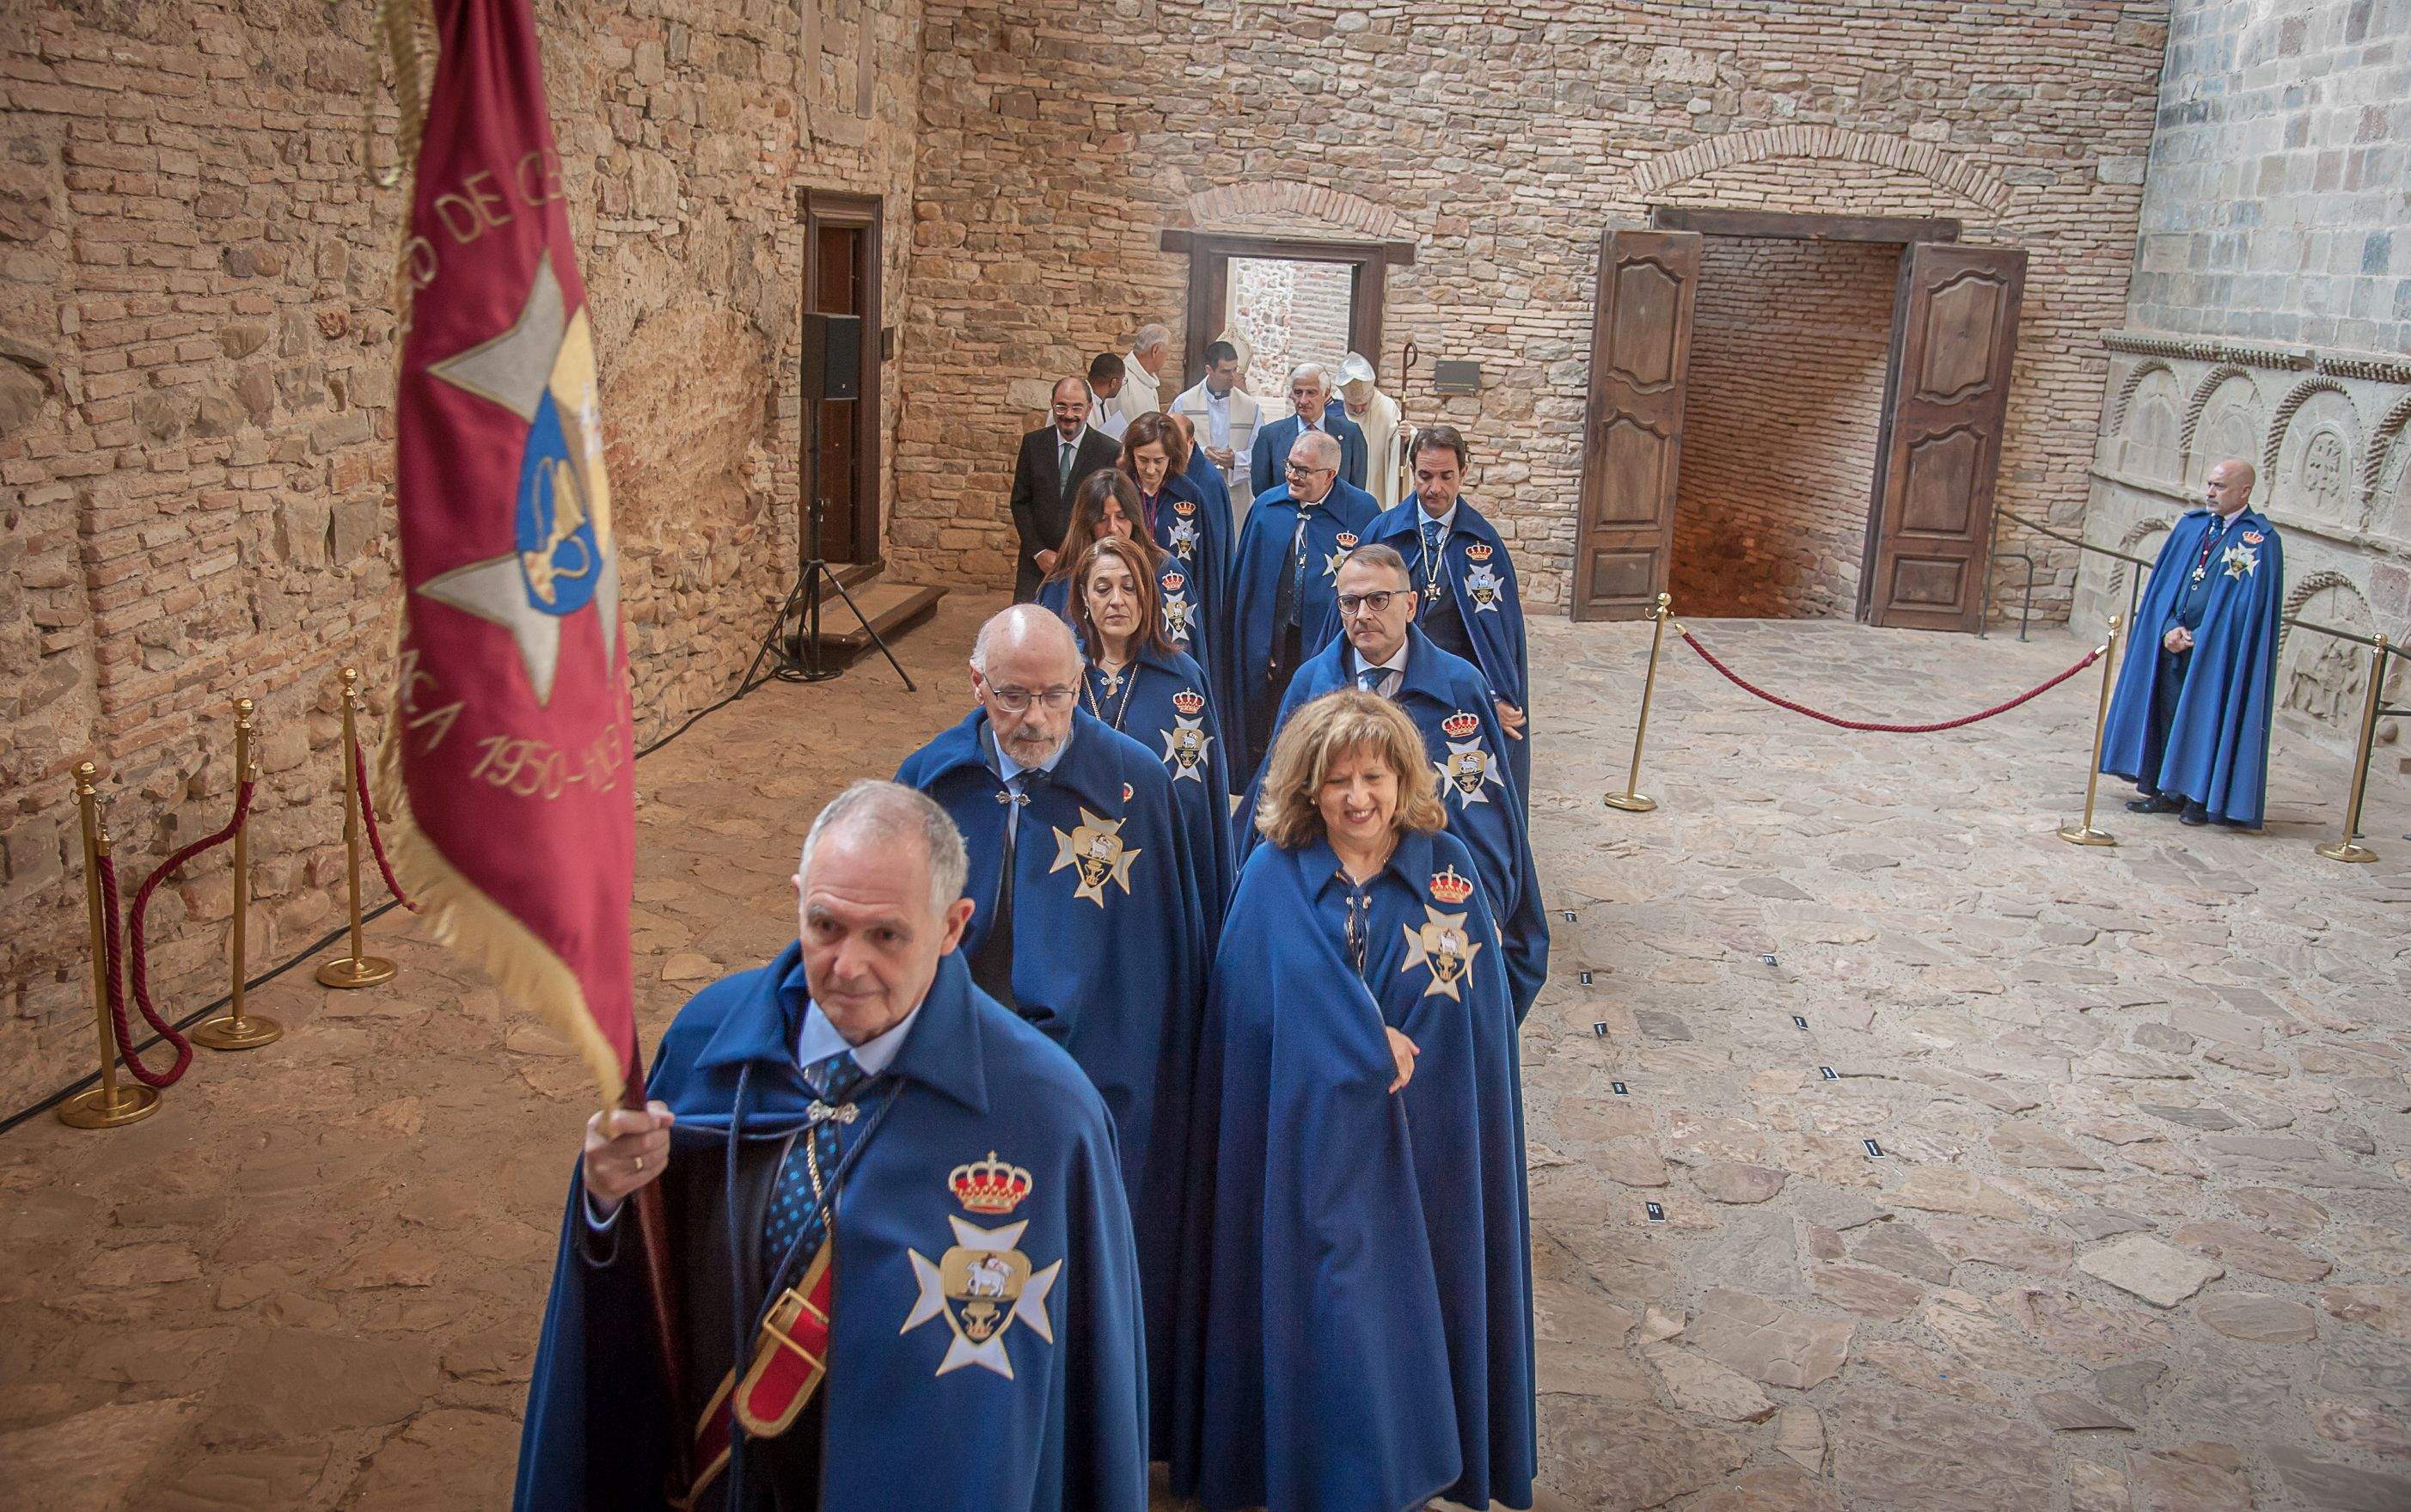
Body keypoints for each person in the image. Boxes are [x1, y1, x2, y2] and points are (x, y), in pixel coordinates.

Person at [515, 780, 1148, 1511]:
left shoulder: (1046, 1114)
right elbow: (640, 1276)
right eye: (825, 926)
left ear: (952, 926)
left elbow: (1089, 1384)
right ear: (797, 900)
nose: (847, 966)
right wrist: (603, 1197)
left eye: (885, 935)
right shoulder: (709, 1040)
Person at [1172, 691, 1534, 1512]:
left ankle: (1404, 1464)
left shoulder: (1447, 871)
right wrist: (1356, 1040)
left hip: (1422, 1140)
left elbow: (1477, 1022)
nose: (1357, 797)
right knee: (1323, 1306)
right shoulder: (1272, 873)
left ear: (1402, 777)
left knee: (1411, 1306)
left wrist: (1416, 1058)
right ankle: (1307, 1466)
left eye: (1373, 775)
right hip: (1303, 1140)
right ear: (1308, 789)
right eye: (1336, 781)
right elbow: (1250, 1008)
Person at [893, 606, 1211, 1457]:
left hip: (1102, 1076)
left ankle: (1092, 1431)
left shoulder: (1136, 785)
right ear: (975, 686)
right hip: (962, 1077)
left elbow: (1173, 945)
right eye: (1013, 697)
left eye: (1056, 696)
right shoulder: (930, 782)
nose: (1035, 719)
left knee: (1093, 1259)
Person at [1240, 544, 1548, 1019]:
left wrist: (1489, 911)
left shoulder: (1459, 687)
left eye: (1378, 600)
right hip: (1331, 917)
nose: (1363, 614)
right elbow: (1276, 802)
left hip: (1429, 918)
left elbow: (1488, 818)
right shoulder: (1310, 686)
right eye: (1350, 602)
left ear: (1411, 604)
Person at [2102, 457, 2285, 828]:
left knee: (2206, 718)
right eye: (2210, 484)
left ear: (2244, 491)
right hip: (2173, 643)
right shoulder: (2192, 528)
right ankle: (2166, 791)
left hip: (2218, 653)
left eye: (2220, 486)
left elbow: (2246, 607)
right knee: (2167, 712)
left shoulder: (2259, 540)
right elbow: (2167, 585)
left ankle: (2198, 797)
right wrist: (2168, 626)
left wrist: (2202, 638)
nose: (2210, 492)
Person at [1067, 533, 1236, 928]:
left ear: (1147, 597)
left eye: (1130, 587)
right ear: (1084, 600)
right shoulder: (1062, 674)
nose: (1117, 600)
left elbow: (1203, 798)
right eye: (1103, 588)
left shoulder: (1182, 678)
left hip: (1157, 870)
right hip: (1077, 862)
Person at [1367, 425, 1532, 808]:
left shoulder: (1483, 544)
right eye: (1425, 476)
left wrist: (1495, 697)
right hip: (1390, 688)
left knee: (1444, 802)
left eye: (1446, 476)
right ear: (1410, 471)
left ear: (1464, 473)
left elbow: (1499, 639)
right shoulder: (1383, 533)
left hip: (1454, 695)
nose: (1435, 489)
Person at [1222, 428, 1379, 780]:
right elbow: (1247, 580)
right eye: (1290, 466)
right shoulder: (1267, 507)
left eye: (1303, 470)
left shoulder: (1360, 510)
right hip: (1274, 637)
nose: (1292, 475)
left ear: (1330, 476)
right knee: (1270, 712)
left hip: (1328, 638)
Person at [1121, 412, 1236, 724]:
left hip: (1174, 614)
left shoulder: (1190, 495)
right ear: (1131, 454)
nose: (1151, 469)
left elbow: (1205, 568)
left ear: (1173, 458)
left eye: (1159, 461)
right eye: (1143, 459)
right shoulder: (1117, 491)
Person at [1007, 376, 1120, 602]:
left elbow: (1108, 511)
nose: (1069, 415)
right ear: (1052, 404)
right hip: (1036, 565)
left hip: (1085, 563)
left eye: (1077, 407)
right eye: (1062, 406)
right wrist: (1038, 551)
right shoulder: (1033, 444)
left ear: (1089, 408)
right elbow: (1020, 502)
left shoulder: (1109, 451)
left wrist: (1086, 555)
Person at [1170, 339, 1261, 520]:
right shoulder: (1184, 403)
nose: (1233, 376)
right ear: (1208, 370)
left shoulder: (1251, 407)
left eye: (1235, 370)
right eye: (1225, 371)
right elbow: (1170, 443)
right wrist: (1202, 453)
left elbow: (1259, 452)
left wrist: (1236, 459)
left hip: (1233, 491)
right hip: (1195, 487)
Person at [1250, 362, 1368, 496]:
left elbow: (1356, 490)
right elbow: (1261, 490)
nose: (1303, 401)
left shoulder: (1350, 434)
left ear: (1327, 393)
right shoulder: (1270, 436)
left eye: (1311, 393)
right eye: (1298, 392)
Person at [1335, 351, 1405, 510]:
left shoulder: (1386, 407)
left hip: (1377, 487)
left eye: (1364, 404)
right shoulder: (1334, 410)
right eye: (1353, 405)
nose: (1359, 409)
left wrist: (1406, 438)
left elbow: (1399, 441)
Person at [1111, 322, 1171, 432]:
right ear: (1155, 350)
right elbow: (1118, 430)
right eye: (1166, 352)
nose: (1167, 358)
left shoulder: (1148, 381)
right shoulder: (1123, 381)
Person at [1086, 352, 1129, 442]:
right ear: (1113, 382)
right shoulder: (1082, 401)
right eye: (1122, 381)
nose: (1122, 385)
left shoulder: (1101, 402)